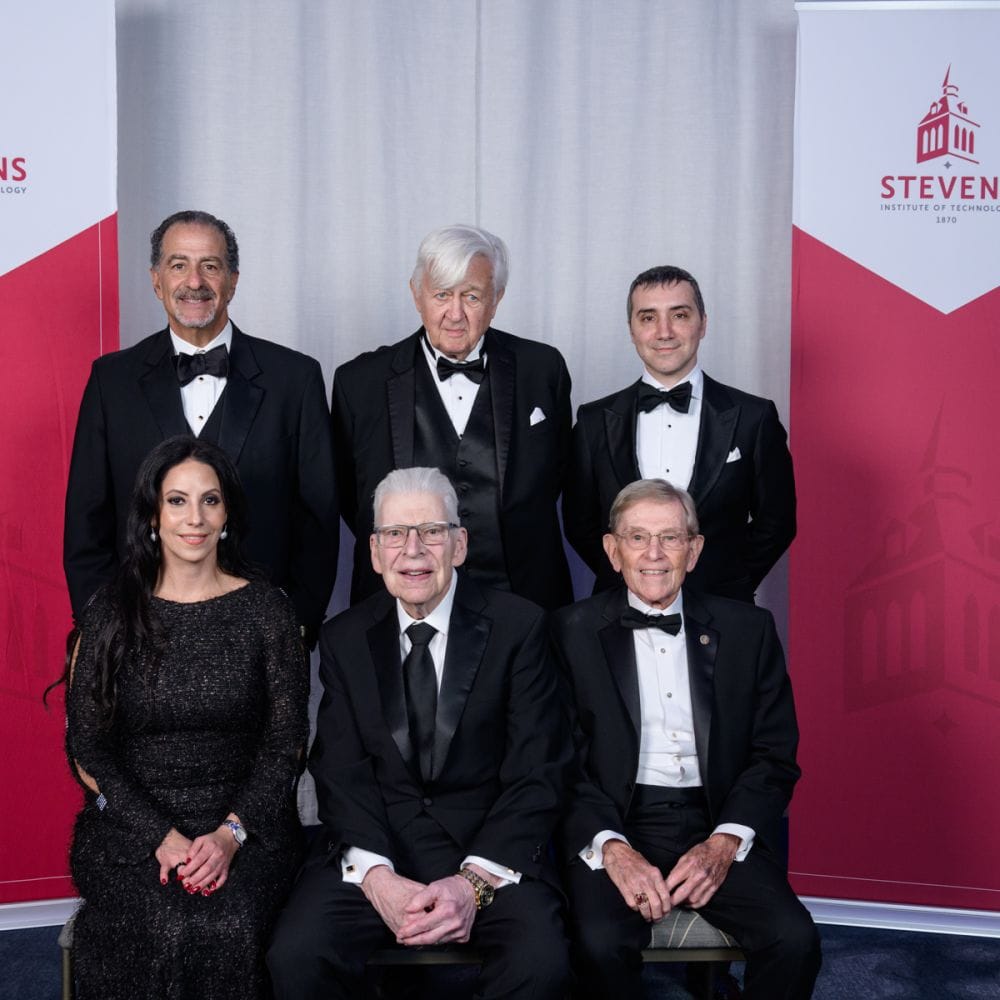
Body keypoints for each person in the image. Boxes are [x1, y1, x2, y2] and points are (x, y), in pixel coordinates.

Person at [267, 467, 571, 1000]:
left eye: (431, 531)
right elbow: (339, 769)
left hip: (489, 852)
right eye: (394, 534)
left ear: (459, 544)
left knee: (542, 962)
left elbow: (538, 770)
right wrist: (378, 878)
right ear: (375, 553)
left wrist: (471, 883)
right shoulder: (343, 637)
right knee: (296, 955)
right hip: (378, 846)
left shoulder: (520, 626)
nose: (413, 550)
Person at [58, 436, 309, 999]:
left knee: (228, 924)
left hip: (249, 826)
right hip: (130, 827)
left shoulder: (267, 610)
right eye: (177, 501)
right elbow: (88, 752)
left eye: (210, 500)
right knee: (164, 925)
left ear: (227, 514)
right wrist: (161, 836)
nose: (194, 518)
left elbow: (287, 745)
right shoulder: (109, 613)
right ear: (152, 514)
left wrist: (230, 834)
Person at [552, 480, 820, 1000]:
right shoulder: (567, 631)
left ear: (693, 551)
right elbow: (558, 760)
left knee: (795, 940)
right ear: (612, 550)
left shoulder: (750, 629)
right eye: (637, 538)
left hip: (717, 816)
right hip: (615, 818)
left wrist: (724, 842)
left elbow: (773, 756)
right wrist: (611, 847)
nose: (654, 554)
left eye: (670, 538)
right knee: (599, 944)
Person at [64, 209, 338, 645]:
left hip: (259, 640)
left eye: (210, 266)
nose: (194, 281)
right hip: (139, 636)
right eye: (179, 265)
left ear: (233, 279)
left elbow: (318, 520)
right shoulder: (110, 382)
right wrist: (105, 628)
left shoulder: (295, 378)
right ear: (157, 280)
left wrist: (292, 625)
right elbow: (87, 521)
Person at [331, 224, 573, 610]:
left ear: (496, 299)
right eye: (441, 294)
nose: (455, 314)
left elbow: (560, 477)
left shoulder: (542, 369)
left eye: (471, 296)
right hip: (400, 604)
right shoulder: (359, 382)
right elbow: (350, 496)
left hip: (524, 601)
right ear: (417, 295)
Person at [564, 265, 796, 602]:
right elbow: (579, 523)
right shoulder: (593, 421)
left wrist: (728, 583)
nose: (664, 332)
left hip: (724, 611)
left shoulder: (754, 418)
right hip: (618, 611)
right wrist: (635, 577)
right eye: (647, 318)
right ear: (631, 329)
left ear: (703, 323)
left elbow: (777, 521)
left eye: (680, 315)